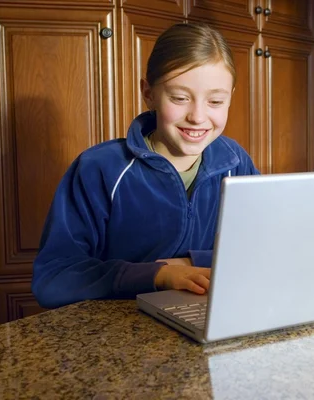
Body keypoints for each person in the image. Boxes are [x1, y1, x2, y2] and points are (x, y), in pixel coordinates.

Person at [32, 23, 259, 309]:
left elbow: (263, 249)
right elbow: (53, 278)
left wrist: (192, 262)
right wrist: (158, 274)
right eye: (179, 98)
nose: (198, 117)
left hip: (210, 320)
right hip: (117, 335)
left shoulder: (235, 162)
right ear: (149, 93)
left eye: (215, 101)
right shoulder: (99, 169)